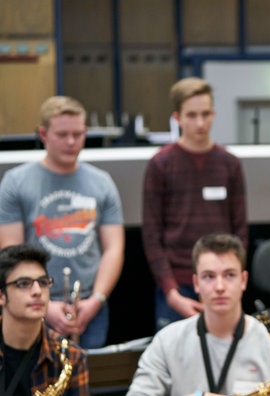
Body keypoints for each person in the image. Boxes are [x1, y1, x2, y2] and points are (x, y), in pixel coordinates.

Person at [0, 96, 125, 349]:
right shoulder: (16, 182)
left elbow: (114, 248)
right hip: (34, 303)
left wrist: (97, 300)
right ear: (43, 134)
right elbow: (11, 253)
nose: (71, 142)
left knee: (87, 382)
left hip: (90, 305)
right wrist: (46, 304)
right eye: (62, 134)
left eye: (78, 134)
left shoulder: (102, 182)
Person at [127, 233, 270, 396]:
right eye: (209, 276)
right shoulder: (167, 342)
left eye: (230, 275)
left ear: (244, 280)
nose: (219, 287)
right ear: (196, 283)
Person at [142, 77, 249, 331]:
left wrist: (230, 281)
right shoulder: (161, 165)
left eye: (205, 114)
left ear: (213, 114)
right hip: (178, 288)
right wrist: (171, 292)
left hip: (220, 284)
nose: (200, 123)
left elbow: (240, 231)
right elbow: (152, 236)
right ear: (177, 118)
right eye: (191, 115)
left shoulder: (229, 164)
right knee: (175, 364)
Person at [0, 244, 89, 395]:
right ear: (1, 296)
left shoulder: (71, 356)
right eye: (23, 284)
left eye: (43, 282)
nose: (37, 291)